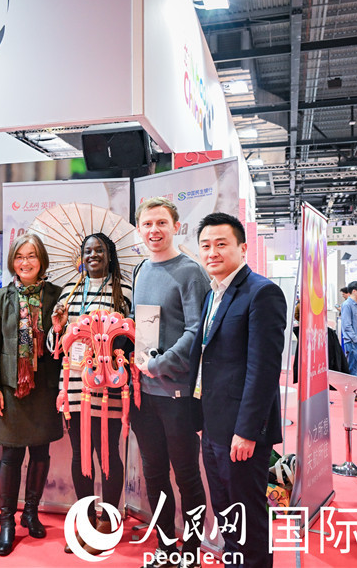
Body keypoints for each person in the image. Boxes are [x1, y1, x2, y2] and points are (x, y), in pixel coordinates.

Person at [189, 213, 287, 568]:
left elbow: (263, 371)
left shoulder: (262, 293)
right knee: (226, 511)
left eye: (221, 244)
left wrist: (247, 431)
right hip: (213, 424)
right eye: (205, 245)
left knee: (247, 515)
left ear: (242, 248)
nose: (212, 252)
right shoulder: (213, 294)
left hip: (242, 432)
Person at [131, 198, 210, 568]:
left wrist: (159, 364)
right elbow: (142, 327)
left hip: (177, 395)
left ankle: (190, 553)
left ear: (176, 226)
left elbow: (197, 331)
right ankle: (165, 546)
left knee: (187, 477)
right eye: (147, 224)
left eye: (161, 223)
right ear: (139, 229)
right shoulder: (141, 269)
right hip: (142, 395)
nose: (154, 230)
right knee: (154, 474)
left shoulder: (191, 272)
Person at [51, 233, 132, 555]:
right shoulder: (69, 292)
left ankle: (108, 522)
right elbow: (57, 347)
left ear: (109, 255)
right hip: (73, 383)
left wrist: (107, 342)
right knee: (79, 454)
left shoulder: (123, 291)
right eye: (88, 251)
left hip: (108, 383)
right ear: (81, 257)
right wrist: (58, 326)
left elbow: (130, 338)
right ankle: (86, 520)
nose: (93, 255)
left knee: (107, 452)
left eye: (99, 250)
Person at [0, 233, 63, 556]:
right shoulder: (2, 297)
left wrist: (59, 327)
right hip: (12, 386)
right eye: (19, 256)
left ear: (41, 260)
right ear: (12, 261)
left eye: (31, 256)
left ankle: (31, 512)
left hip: (44, 387)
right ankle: (7, 522)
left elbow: (62, 347)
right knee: (11, 455)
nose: (25, 262)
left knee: (41, 453)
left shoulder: (57, 295)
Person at [340, 281, 357, 402]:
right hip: (353, 343)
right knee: (354, 370)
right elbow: (347, 326)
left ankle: (355, 393)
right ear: (354, 291)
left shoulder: (356, 305)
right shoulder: (347, 305)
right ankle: (352, 395)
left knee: (356, 369)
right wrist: (356, 340)